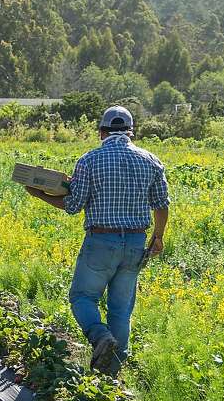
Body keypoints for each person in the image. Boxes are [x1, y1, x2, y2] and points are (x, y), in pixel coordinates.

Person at [24, 105, 169, 374]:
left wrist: (40, 194)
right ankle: (110, 374)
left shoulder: (90, 160)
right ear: (131, 132)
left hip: (101, 241)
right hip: (136, 242)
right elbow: (162, 205)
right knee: (121, 309)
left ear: (101, 132)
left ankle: (100, 337)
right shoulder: (151, 160)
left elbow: (73, 204)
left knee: (82, 297)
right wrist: (158, 238)